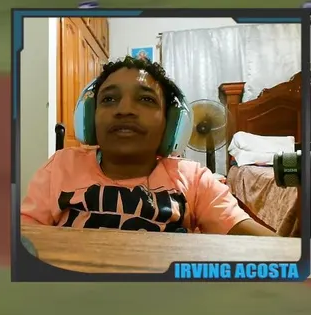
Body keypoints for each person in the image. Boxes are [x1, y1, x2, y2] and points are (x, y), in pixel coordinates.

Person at [21, 56, 274, 236]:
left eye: (145, 99)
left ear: (171, 124)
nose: (124, 110)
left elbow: (256, 240)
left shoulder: (194, 179)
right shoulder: (61, 167)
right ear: (90, 118)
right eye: (108, 99)